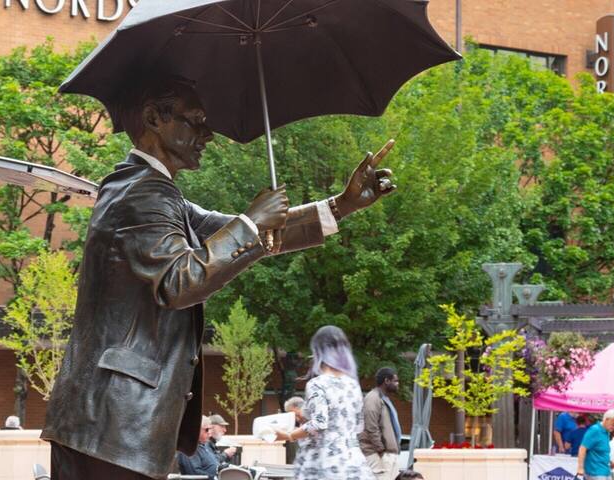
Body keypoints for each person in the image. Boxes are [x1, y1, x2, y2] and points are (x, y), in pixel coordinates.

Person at [41, 76, 397, 480]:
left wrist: (342, 204)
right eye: (195, 120)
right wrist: (249, 222)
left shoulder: (156, 192)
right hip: (113, 426)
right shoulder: (142, 194)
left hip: (108, 427)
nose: (208, 134)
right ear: (154, 118)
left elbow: (256, 237)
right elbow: (179, 281)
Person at [275, 326, 374, 480]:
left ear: (318, 351)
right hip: (353, 463)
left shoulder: (317, 384)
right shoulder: (353, 385)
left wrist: (289, 435)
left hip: (323, 464)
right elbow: (359, 426)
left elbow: (319, 423)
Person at [360, 367, 404, 480]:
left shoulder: (384, 398)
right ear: (386, 381)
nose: (397, 384)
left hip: (389, 453)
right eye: (395, 381)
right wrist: (381, 450)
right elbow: (371, 427)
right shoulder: (373, 398)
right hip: (378, 454)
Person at [576, 409, 614, 480]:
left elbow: (601, 452)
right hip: (595, 472)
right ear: (607, 419)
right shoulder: (595, 430)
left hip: (605, 471)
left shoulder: (607, 432)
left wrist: (610, 462)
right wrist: (580, 468)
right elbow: (582, 448)